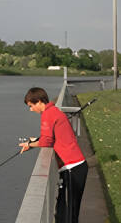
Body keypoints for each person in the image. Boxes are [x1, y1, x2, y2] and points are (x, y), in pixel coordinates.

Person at [19, 87, 87, 222]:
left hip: (72, 168)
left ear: (39, 102)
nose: (31, 109)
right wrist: (34, 141)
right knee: (68, 212)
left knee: (69, 215)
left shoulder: (47, 114)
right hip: (76, 167)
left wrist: (30, 145)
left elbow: (47, 141)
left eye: (31, 106)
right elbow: (52, 136)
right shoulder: (54, 111)